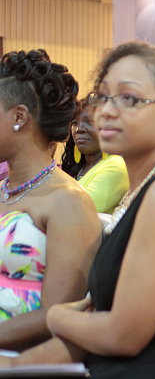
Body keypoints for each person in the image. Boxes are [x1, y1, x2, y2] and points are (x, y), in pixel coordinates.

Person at [0, 41, 155, 379]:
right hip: (117, 373)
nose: (105, 110)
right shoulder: (143, 191)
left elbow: (123, 334)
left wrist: (54, 315)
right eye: (102, 97)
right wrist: (18, 366)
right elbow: (95, 318)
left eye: (128, 98)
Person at [0, 49, 101, 350]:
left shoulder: (67, 202)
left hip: (20, 358)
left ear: (19, 117)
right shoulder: (5, 190)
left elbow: (56, 315)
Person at [61, 99, 129, 214]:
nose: (79, 129)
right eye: (75, 123)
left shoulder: (115, 165)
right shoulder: (77, 169)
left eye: (89, 122)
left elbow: (75, 213)